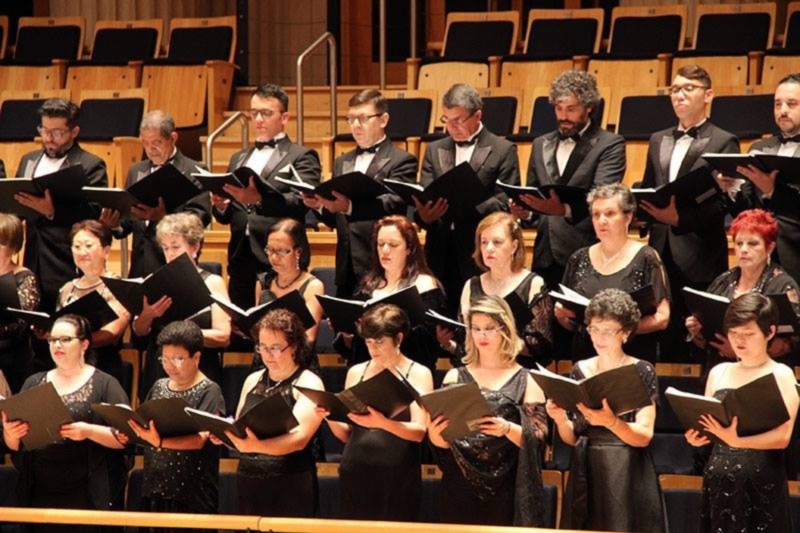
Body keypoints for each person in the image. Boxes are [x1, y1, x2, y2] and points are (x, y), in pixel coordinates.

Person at [638, 64, 739, 362]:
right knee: (664, 338)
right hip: (660, 251)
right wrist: (642, 213)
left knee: (700, 337)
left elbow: (723, 204)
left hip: (701, 255)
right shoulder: (657, 139)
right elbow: (649, 186)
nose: (679, 95)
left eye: (688, 88)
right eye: (675, 89)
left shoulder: (724, 140)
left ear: (708, 95)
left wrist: (679, 219)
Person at [546, 289, 666, 532]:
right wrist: (559, 420)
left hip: (626, 466)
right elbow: (573, 437)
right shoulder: (580, 369)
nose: (599, 337)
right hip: (586, 465)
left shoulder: (641, 370)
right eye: (594, 329)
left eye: (608, 331)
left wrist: (611, 422)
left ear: (626, 333)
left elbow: (644, 435)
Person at [2, 315, 129, 533]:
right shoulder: (33, 382)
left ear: (84, 344)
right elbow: (16, 446)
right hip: (41, 489)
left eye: (65, 339)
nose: (57, 345)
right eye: (52, 340)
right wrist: (11, 433)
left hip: (87, 491)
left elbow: (125, 438)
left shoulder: (105, 383)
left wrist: (89, 431)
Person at [427, 295, 547, 527]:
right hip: (459, 484)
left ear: (505, 330)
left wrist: (507, 428)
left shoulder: (528, 379)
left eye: (489, 328)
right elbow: (443, 444)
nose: (482, 335)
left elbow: (539, 437)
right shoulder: (454, 376)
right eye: (476, 329)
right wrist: (434, 434)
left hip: (507, 485)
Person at [685, 293, 799, 532]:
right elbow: (709, 423)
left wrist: (738, 441)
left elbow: (783, 437)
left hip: (761, 479)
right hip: (718, 475)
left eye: (748, 334)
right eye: (734, 332)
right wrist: (699, 437)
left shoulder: (781, 374)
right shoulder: (719, 371)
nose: (739, 340)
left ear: (769, 332)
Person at [511, 70, 626, 291]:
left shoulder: (610, 144)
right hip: (545, 254)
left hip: (587, 250)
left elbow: (602, 198)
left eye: (571, 109)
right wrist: (526, 212)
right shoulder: (540, 143)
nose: (563, 116)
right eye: (559, 108)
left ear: (589, 107)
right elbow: (536, 193)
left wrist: (564, 210)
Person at [212, 83, 321, 311]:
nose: (259, 119)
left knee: (279, 325)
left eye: (266, 113)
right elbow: (227, 216)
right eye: (254, 113)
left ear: (284, 117)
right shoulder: (238, 158)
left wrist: (259, 200)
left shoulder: (302, 156)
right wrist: (222, 205)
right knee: (241, 326)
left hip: (279, 259)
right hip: (240, 258)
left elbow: (301, 202)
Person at [323, 304, 433, 521]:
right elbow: (347, 434)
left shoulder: (418, 373)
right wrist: (329, 415)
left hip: (397, 473)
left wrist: (382, 422)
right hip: (355, 468)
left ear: (398, 338)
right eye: (368, 341)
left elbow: (419, 432)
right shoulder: (357, 371)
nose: (373, 349)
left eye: (380, 342)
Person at [415, 84, 520, 313]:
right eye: (447, 119)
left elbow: (504, 201)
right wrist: (425, 214)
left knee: (476, 314)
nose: (451, 127)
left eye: (458, 120)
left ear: (477, 116)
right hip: (439, 249)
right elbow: (426, 195)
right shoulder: (434, 149)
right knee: (438, 318)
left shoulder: (502, 149)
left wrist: (467, 206)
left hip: (478, 249)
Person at [303, 89, 417, 298]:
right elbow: (337, 218)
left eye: (363, 118)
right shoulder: (342, 161)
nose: (355, 125)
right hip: (346, 269)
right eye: (351, 119)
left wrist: (350, 207)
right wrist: (320, 206)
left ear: (383, 120)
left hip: (381, 266)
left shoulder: (402, 160)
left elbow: (394, 204)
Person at [119, 320, 225, 531]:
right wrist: (131, 434)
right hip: (154, 488)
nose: (169, 365)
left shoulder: (210, 390)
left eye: (178, 359)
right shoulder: (159, 386)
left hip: (192, 496)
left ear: (196, 357)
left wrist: (159, 442)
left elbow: (200, 440)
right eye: (164, 358)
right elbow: (146, 426)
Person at [219, 309, 324, 517]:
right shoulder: (253, 379)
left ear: (294, 346)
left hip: (290, 483)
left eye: (275, 348)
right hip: (248, 480)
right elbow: (242, 431)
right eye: (262, 347)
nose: (267, 355)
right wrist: (225, 436)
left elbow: (299, 439)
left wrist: (255, 446)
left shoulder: (309, 382)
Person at [9, 98, 108, 314]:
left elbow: (94, 213)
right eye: (44, 130)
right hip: (32, 256)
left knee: (65, 318)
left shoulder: (91, 164)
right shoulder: (28, 159)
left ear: (74, 132)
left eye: (57, 132)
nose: (48, 138)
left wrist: (53, 212)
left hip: (66, 259)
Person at [556, 184, 670, 362]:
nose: (602, 220)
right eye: (596, 214)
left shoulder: (646, 257)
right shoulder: (578, 258)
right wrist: (562, 316)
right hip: (587, 357)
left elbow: (662, 318)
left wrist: (617, 331)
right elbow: (572, 322)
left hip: (631, 357)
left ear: (628, 217)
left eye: (610, 213)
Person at [100, 110, 212, 278]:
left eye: (156, 142)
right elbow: (128, 220)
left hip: (175, 266)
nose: (150, 149)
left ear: (173, 138)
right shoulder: (136, 170)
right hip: (139, 266)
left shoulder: (194, 170)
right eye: (145, 143)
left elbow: (199, 218)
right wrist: (115, 224)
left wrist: (163, 218)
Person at [686, 209, 800, 370]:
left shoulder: (783, 285)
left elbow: (791, 343)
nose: (744, 249)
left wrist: (738, 351)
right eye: (739, 243)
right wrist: (698, 332)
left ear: (769, 247)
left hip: (765, 373)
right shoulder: (722, 281)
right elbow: (706, 342)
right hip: (722, 368)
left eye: (753, 243)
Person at [133, 213, 231, 401]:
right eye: (165, 248)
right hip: (160, 368)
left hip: (200, 368)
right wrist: (148, 314)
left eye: (176, 246)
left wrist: (184, 334)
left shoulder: (213, 282)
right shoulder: (154, 282)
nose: (170, 253)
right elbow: (139, 330)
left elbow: (223, 336)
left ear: (195, 247)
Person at [333, 215, 449, 371]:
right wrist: (348, 335)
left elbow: (430, 346)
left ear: (409, 248)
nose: (385, 250)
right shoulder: (367, 287)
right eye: (380, 244)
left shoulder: (426, 286)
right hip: (370, 372)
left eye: (393, 245)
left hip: (410, 373)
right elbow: (354, 350)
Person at [721, 73, 800, 283]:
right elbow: (745, 211)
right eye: (778, 104)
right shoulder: (758, 148)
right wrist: (731, 189)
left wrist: (772, 191)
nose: (783, 110)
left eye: (792, 104)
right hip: (759, 260)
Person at [454, 211, 553, 367]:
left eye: (497, 242)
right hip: (480, 369)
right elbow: (464, 341)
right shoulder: (471, 285)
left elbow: (540, 346)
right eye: (484, 242)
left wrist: (501, 338)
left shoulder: (533, 284)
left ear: (514, 246)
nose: (489, 248)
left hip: (520, 368)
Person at [56, 220, 131, 387]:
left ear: (106, 251)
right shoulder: (67, 288)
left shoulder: (119, 286)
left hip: (103, 368)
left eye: (88, 245)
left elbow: (113, 332)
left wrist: (72, 341)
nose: (82, 252)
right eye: (77, 246)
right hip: (67, 367)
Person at [250, 218, 324, 369]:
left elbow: (309, 338)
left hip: (298, 363)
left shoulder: (313, 286)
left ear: (298, 251)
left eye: (282, 251)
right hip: (265, 362)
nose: (274, 257)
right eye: (270, 250)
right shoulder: (263, 282)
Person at [0, 213, 40, 393]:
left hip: (12, 360)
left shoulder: (25, 278)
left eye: (1, 243)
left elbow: (21, 323)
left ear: (13, 247)